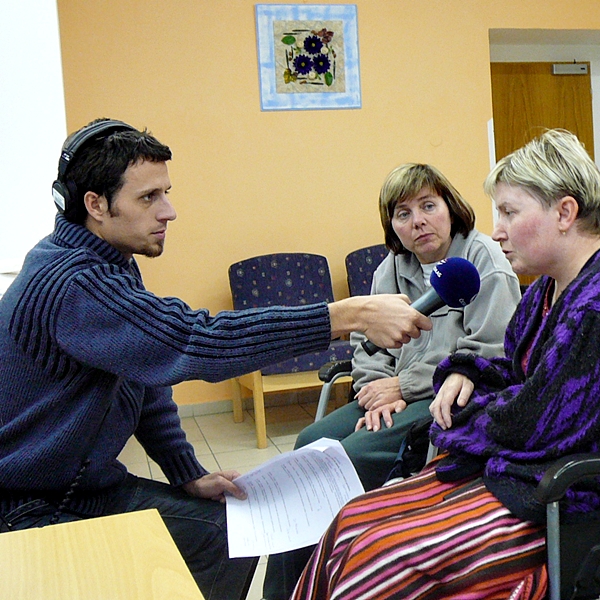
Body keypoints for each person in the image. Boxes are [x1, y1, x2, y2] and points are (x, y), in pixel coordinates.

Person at [0, 118, 430, 600]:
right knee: (209, 544)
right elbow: (194, 342)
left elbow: (146, 380)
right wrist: (344, 315)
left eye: (165, 193)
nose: (168, 211)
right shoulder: (74, 283)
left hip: (85, 489)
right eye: (148, 198)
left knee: (227, 534)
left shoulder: (109, 264)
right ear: (95, 205)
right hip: (29, 508)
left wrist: (187, 473)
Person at [288, 129, 600, 600]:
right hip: (545, 469)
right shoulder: (550, 286)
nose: (499, 229)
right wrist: (467, 371)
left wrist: (459, 424)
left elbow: (540, 423)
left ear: (565, 213)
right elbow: (515, 369)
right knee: (351, 521)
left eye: (509, 212)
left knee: (377, 555)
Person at [262, 163, 520, 599]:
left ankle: (334, 579)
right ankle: (286, 590)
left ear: (451, 208)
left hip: (448, 398)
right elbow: (367, 344)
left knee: (349, 457)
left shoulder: (482, 261)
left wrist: (405, 386)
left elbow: (490, 349)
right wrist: (377, 388)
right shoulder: (391, 269)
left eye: (428, 206)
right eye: (403, 213)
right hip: (390, 393)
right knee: (309, 444)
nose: (418, 221)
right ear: (392, 226)